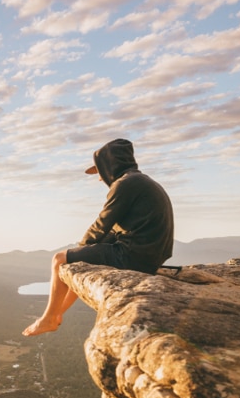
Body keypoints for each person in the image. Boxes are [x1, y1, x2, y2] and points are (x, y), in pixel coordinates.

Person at [23, 138, 174, 337]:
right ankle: (57, 313)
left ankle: (49, 318)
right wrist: (83, 252)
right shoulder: (140, 181)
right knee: (82, 257)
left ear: (110, 166)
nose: (100, 179)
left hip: (134, 256)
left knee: (59, 259)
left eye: (100, 172)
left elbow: (102, 223)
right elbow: (114, 230)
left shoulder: (124, 184)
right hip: (150, 255)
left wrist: (78, 249)